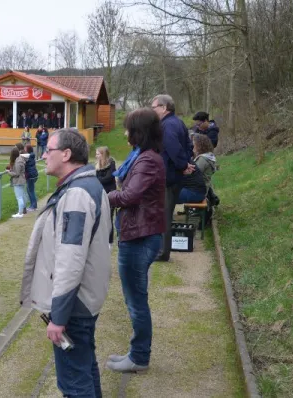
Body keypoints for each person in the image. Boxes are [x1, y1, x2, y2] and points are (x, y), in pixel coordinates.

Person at [20, 128, 111, 398]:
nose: (44, 155)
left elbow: (71, 261)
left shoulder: (77, 195)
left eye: (49, 150)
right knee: (84, 367)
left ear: (67, 154)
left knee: (74, 383)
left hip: (75, 305)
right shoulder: (88, 186)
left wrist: (58, 317)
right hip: (85, 299)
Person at [106, 107, 166, 373]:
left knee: (136, 301)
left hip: (140, 237)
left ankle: (140, 357)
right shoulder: (143, 157)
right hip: (138, 233)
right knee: (135, 299)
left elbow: (129, 196)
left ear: (138, 132)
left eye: (128, 128)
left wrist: (102, 196)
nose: (125, 132)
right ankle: (136, 352)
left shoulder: (147, 161)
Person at [151, 94, 193, 262]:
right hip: (174, 176)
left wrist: (183, 165)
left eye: (154, 107)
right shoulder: (178, 122)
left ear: (163, 107)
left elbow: (174, 148)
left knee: (164, 215)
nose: (152, 110)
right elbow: (189, 146)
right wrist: (186, 164)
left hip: (168, 177)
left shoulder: (167, 126)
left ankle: (162, 252)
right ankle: (161, 250)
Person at [95, 146, 117, 246]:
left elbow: (108, 178)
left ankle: (109, 241)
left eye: (98, 154)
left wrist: (98, 180)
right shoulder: (96, 166)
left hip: (109, 194)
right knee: (99, 217)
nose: (96, 156)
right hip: (100, 194)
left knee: (108, 217)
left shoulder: (111, 164)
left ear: (103, 155)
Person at [7, 147, 27, 218]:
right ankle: (23, 210)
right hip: (21, 180)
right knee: (22, 195)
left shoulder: (18, 161)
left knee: (19, 197)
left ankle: (20, 213)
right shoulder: (19, 159)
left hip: (18, 181)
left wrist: (9, 172)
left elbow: (17, 173)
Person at [24, 144, 39, 211]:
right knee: (29, 190)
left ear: (28, 149)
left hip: (31, 175)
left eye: (25, 148)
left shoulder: (28, 157)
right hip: (33, 175)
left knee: (31, 190)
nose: (24, 149)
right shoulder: (31, 156)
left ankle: (34, 206)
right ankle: (32, 205)